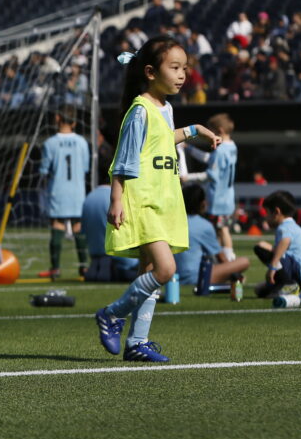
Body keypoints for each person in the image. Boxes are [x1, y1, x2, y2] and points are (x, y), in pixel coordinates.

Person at [96, 37, 219, 363]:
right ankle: (112, 314)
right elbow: (124, 158)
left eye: (185, 68)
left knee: (149, 270)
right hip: (143, 200)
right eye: (174, 67)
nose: (182, 75)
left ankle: (137, 342)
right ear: (150, 72)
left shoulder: (165, 108)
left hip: (164, 198)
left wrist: (196, 130)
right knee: (165, 269)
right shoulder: (139, 110)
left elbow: (164, 139)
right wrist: (116, 199)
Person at [38, 106, 91, 280]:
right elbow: (85, 168)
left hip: (58, 190)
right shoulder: (82, 142)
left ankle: (55, 268)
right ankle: (84, 267)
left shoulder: (50, 143)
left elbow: (45, 170)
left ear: (57, 119)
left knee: (57, 225)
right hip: (77, 191)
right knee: (78, 226)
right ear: (74, 122)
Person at [173, 185, 249, 300]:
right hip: (196, 277)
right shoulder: (204, 225)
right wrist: (230, 272)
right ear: (202, 203)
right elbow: (221, 257)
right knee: (244, 261)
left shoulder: (172, 221)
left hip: (172, 276)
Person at [185, 113, 238, 260]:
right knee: (221, 230)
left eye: (211, 132)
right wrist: (189, 149)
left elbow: (210, 174)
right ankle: (225, 259)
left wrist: (188, 177)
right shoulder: (232, 147)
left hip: (218, 198)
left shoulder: (220, 151)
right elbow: (210, 159)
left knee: (222, 230)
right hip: (227, 196)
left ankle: (229, 260)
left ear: (219, 131)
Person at [252, 190, 301, 299]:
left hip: (299, 271)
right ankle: (286, 285)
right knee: (260, 290)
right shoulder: (292, 226)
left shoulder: (284, 227)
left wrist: (273, 267)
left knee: (260, 247)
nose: (266, 217)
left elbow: (285, 241)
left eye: (267, 212)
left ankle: (288, 283)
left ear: (276, 212)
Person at [80, 179, 138, 282]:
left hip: (96, 263)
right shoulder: (119, 198)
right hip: (121, 264)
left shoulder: (88, 198)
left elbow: (83, 232)